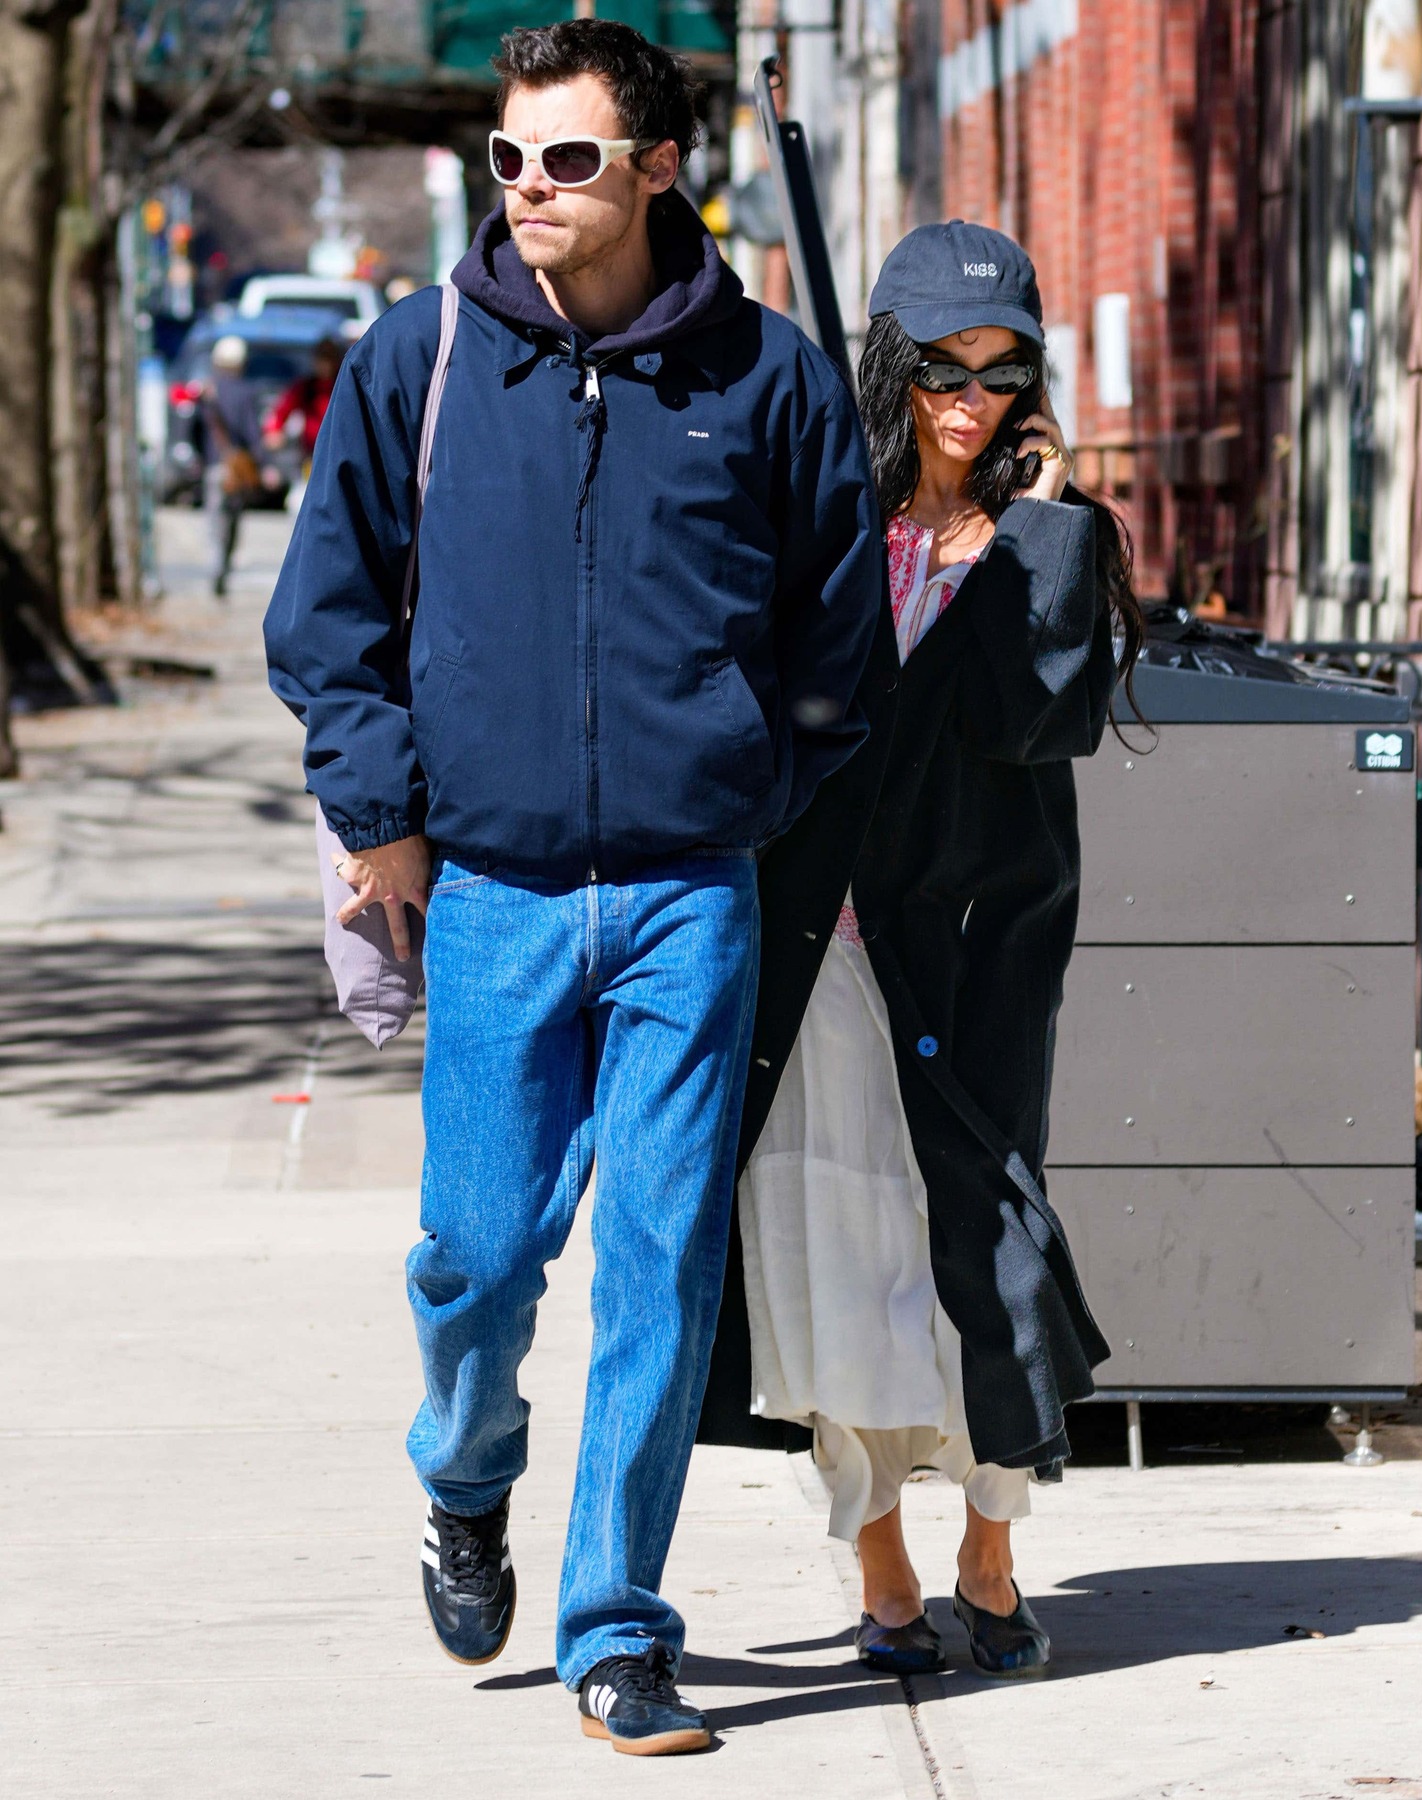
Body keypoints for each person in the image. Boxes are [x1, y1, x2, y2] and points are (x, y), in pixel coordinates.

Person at [263, 18, 881, 1757]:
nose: (530, 187)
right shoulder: (422, 362)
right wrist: (383, 817)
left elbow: (842, 641)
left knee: (662, 1267)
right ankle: (465, 1474)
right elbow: (324, 622)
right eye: (510, 158)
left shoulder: (768, 380)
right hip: (496, 898)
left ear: (661, 171)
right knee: (475, 1252)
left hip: (692, 897)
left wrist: (755, 785)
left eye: (570, 159)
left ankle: (618, 1627)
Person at [708, 221, 1144, 1678]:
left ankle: (996, 1535)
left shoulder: (1048, 541)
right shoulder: (822, 522)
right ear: (888, 368)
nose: (969, 399)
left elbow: (1040, 713)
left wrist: (1039, 523)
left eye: (1000, 369)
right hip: (826, 944)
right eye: (939, 371)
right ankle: (882, 1550)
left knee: (984, 1240)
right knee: (836, 1243)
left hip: (973, 947)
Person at [200, 335, 262, 598]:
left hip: (214, 466)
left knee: (215, 520)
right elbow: (252, 432)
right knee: (233, 521)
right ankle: (222, 567)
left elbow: (193, 427)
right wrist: (262, 463)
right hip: (236, 468)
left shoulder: (207, 391)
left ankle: (216, 566)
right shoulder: (246, 393)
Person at [262, 337, 342, 466]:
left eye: (330, 358)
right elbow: (281, 411)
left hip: (340, 452)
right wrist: (273, 429)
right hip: (313, 453)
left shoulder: (345, 386)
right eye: (322, 358)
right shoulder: (306, 387)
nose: (326, 364)